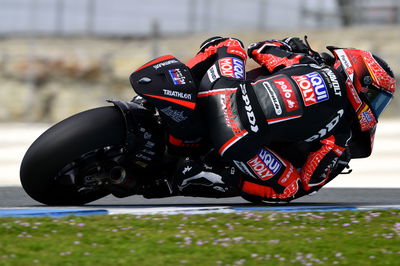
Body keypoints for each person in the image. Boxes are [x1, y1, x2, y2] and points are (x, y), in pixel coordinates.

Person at [130, 36, 396, 202]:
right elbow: (311, 180)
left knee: (228, 44)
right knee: (289, 188)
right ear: (360, 80)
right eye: (375, 96)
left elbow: (261, 48)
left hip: (223, 88)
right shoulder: (340, 133)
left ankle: (181, 83)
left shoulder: (305, 62)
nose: (374, 105)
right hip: (238, 137)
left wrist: (293, 46)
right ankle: (206, 174)